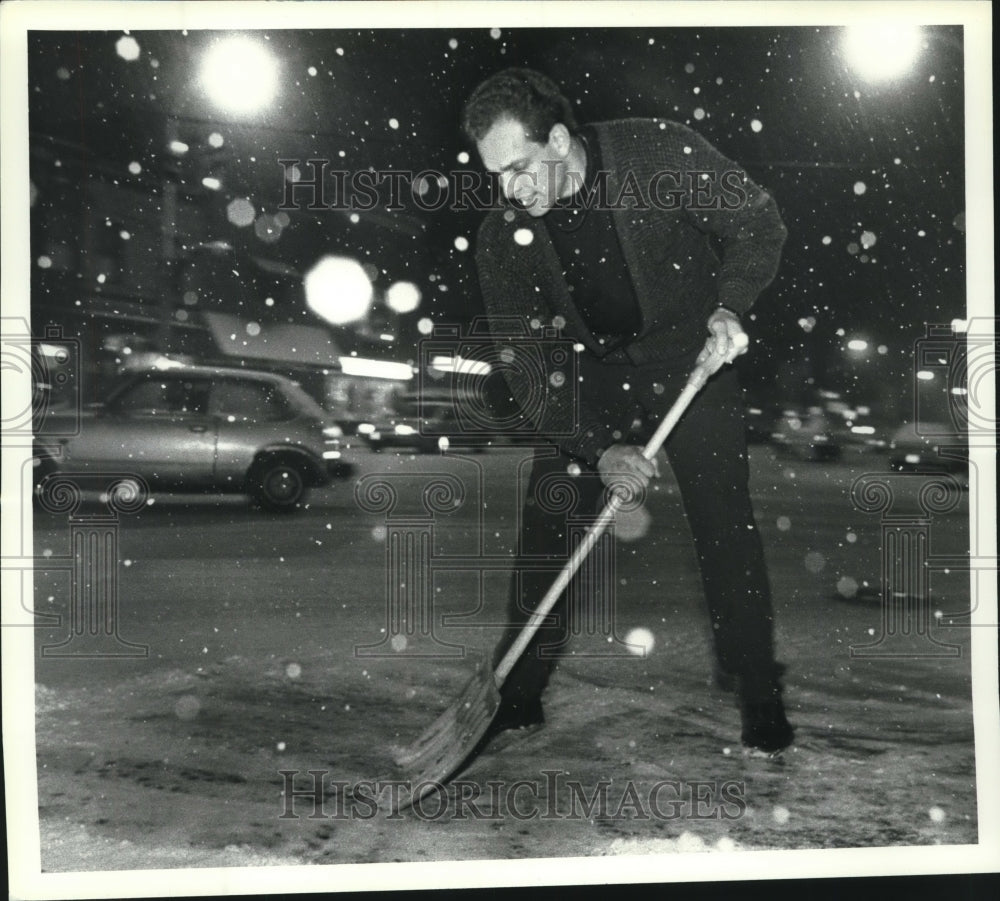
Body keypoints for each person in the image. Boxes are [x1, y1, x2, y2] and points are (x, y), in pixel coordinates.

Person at [461, 67, 794, 756]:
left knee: (725, 527)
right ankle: (516, 694)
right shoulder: (505, 236)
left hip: (688, 362)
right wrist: (594, 447)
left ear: (558, 140)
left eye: (518, 168)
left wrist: (731, 303)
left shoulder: (657, 155)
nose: (510, 191)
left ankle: (759, 691)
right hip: (591, 374)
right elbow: (525, 365)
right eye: (497, 176)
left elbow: (758, 222)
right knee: (549, 528)